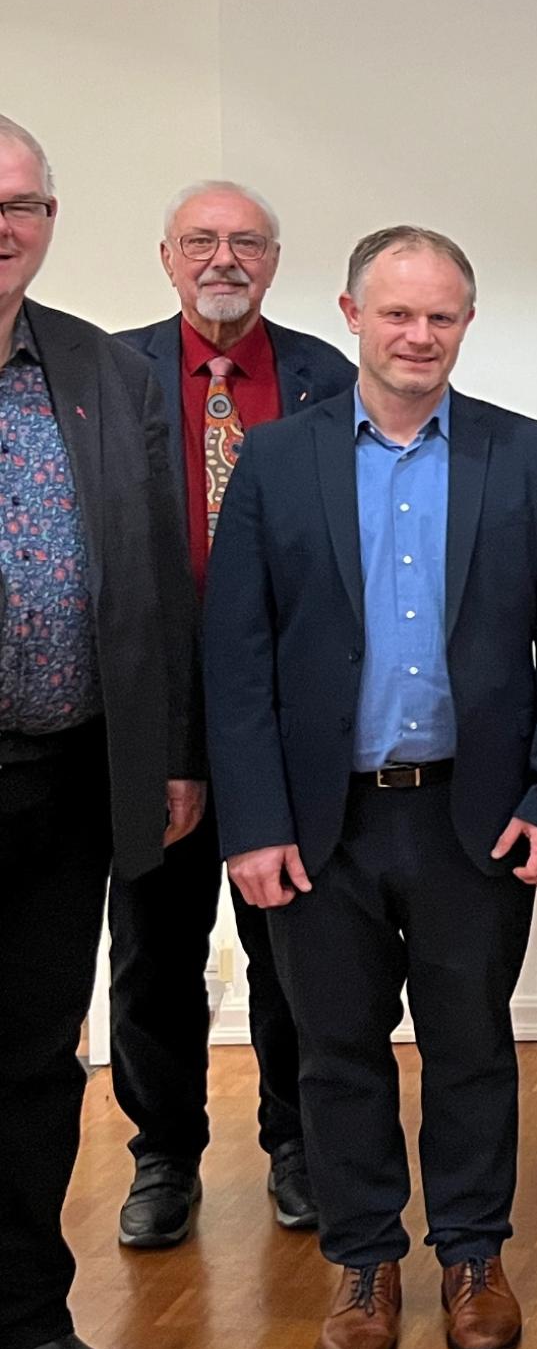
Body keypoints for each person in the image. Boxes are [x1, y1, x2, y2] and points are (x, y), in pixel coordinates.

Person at [205, 226, 537, 1349]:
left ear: (465, 326)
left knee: (474, 1045)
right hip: (320, 822)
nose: (419, 336)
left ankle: (473, 1256)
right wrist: (255, 823)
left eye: (442, 317)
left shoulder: (525, 459)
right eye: (398, 315)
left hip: (470, 814)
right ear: (351, 314)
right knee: (336, 1052)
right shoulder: (279, 463)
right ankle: (365, 1261)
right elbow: (236, 658)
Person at [108, 180, 356, 1248]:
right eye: (201, 242)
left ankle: (295, 1142)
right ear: (165, 256)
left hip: (288, 724)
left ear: (274, 259)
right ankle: (163, 1156)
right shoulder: (107, 378)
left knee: (291, 952)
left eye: (245, 242)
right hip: (148, 716)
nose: (224, 259)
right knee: (153, 957)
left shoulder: (323, 378)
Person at [0, 114, 200, 1349]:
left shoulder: (93, 367)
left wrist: (175, 754)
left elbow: (158, 580)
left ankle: (24, 1321)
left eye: (23, 203)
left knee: (31, 1062)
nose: (4, 225)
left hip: (67, 783)